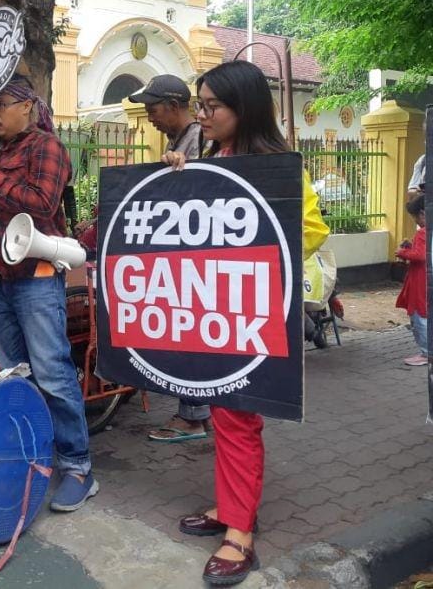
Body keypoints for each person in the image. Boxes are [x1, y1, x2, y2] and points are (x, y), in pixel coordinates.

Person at [164, 60, 329, 586]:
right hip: (213, 312)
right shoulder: (211, 157)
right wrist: (174, 180)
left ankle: (240, 533)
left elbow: (309, 231)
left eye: (213, 106)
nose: (203, 115)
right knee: (221, 408)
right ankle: (231, 505)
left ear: (246, 107)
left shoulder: (277, 165)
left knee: (238, 417)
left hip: (250, 314)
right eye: (202, 104)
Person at [0, 75, 98, 513]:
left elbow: (40, 205)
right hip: (0, 279)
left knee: (54, 373)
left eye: (2, 105)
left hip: (37, 278)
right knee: (14, 375)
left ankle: (79, 467)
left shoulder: (46, 148)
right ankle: (35, 457)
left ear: (26, 107)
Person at [129, 75, 212, 443]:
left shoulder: (200, 140)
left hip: (198, 259)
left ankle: (194, 417)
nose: (149, 117)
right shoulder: (178, 140)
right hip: (184, 258)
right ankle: (195, 413)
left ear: (174, 106)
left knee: (191, 336)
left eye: (153, 109)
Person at [396, 196, 427, 366]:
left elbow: (420, 256)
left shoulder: (423, 231)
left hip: (419, 279)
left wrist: (402, 252)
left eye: (414, 217)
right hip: (426, 278)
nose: (415, 221)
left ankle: (426, 352)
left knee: (419, 315)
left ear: (422, 214)